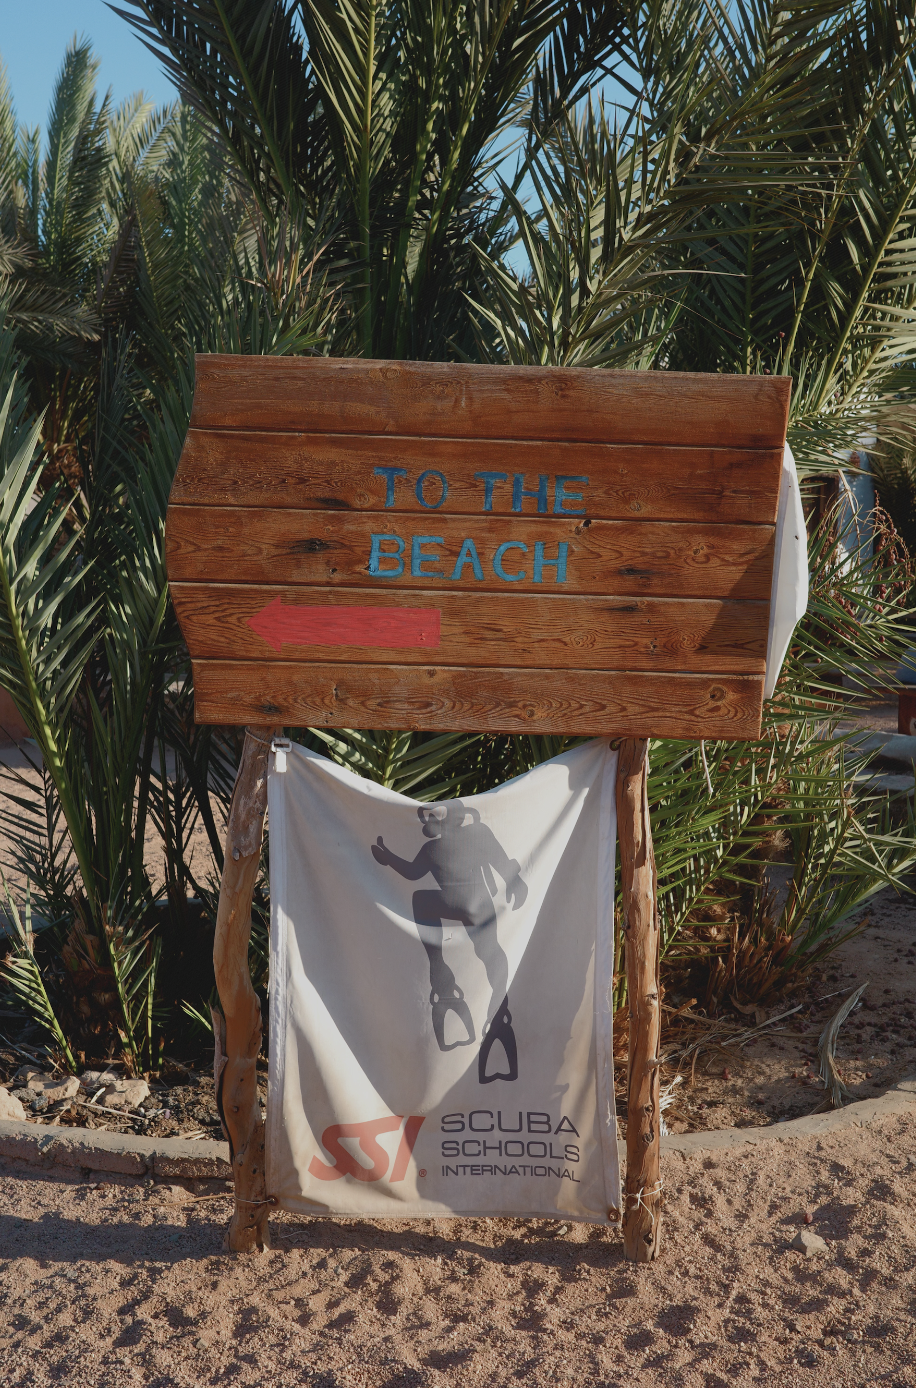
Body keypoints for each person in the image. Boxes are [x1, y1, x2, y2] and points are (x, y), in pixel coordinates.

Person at [371, 801, 528, 1083]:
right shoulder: (472, 836)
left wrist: (388, 858)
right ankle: (481, 997)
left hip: (459, 903)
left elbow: (411, 873)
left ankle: (444, 973)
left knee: (425, 902)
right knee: (489, 951)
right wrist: (515, 883)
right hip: (477, 905)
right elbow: (501, 863)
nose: (429, 823)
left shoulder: (438, 846)